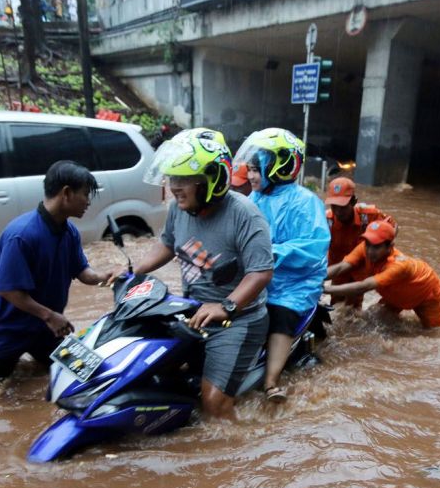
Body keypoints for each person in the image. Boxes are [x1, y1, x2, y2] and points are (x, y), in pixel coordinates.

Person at [132, 130, 274, 418]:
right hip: (192, 311)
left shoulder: (245, 214)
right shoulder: (178, 209)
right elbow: (167, 244)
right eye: (173, 179)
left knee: (213, 404)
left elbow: (261, 273)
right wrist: (134, 271)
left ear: (213, 179)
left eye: (184, 179)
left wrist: (226, 306)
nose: (175, 187)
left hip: (237, 320)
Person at [0, 161, 116, 387]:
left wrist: (104, 277)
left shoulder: (69, 232)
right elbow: (9, 290)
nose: (88, 202)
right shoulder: (21, 235)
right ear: (66, 193)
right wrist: (50, 315)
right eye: (86, 194)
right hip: (4, 334)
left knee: (86, 374)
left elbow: (82, 272)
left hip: (45, 328)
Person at [237, 127, 330, 403]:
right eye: (249, 169)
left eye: (256, 169)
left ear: (277, 167)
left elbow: (313, 247)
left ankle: (270, 382)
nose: (250, 176)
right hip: (260, 273)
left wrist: (272, 253)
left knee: (279, 315)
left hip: (294, 282)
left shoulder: (306, 202)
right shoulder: (254, 199)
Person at [324, 220, 440, 329]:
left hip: (426, 294)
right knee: (373, 321)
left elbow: (363, 286)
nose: (369, 251)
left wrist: (323, 289)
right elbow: (341, 267)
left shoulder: (399, 266)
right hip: (396, 295)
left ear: (390, 247)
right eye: (368, 244)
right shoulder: (364, 247)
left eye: (376, 247)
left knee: (434, 333)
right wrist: (314, 278)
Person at [324, 176, 394, 308]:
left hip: (362, 265)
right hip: (337, 265)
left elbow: (392, 229)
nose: (338, 212)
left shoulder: (369, 215)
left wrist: (380, 255)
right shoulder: (326, 220)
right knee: (336, 304)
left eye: (342, 207)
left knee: (354, 306)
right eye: (334, 206)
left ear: (354, 201)